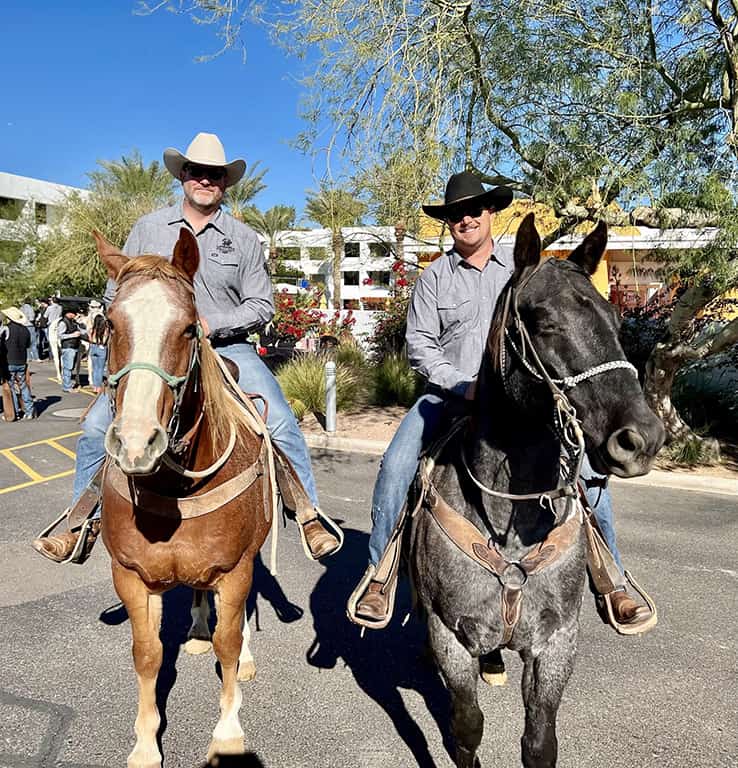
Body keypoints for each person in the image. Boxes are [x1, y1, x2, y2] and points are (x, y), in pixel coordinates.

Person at [348, 171, 650, 631]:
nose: (466, 219)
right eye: (456, 214)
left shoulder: (524, 269)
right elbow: (420, 346)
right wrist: (461, 384)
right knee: (396, 465)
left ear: (490, 212)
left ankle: (613, 580)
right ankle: (381, 572)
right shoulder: (434, 278)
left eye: (474, 210)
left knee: (588, 475)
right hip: (447, 397)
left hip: (520, 401)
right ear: (448, 221)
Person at [32, 131, 341, 564]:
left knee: (280, 423)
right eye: (197, 171)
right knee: (97, 426)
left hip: (228, 348)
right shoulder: (148, 228)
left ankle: (308, 513)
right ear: (183, 176)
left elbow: (261, 304)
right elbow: (115, 293)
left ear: (225, 182)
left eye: (215, 174)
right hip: (157, 351)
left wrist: (213, 324)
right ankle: (81, 521)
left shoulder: (244, 239)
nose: (205, 180)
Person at [0, 307, 35, 419]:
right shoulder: (26, 330)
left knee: (11, 388)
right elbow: (28, 345)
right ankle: (29, 411)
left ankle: (14, 413)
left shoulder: (6, 329)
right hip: (22, 361)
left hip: (9, 361)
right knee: (23, 386)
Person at [57, 308, 85, 392]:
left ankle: (68, 384)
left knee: (70, 367)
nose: (75, 315)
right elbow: (60, 335)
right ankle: (67, 387)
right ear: (68, 313)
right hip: (68, 347)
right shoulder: (63, 323)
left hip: (74, 347)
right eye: (73, 313)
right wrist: (73, 335)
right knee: (68, 367)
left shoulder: (73, 322)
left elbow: (82, 331)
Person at [88, 311, 108, 394]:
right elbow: (105, 340)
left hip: (93, 347)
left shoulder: (91, 330)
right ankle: (99, 387)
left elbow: (89, 339)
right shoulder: (105, 330)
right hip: (101, 347)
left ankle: (95, 386)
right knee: (100, 369)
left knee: (95, 368)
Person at [44, 297, 63, 382]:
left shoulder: (49, 308)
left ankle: (58, 372)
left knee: (53, 346)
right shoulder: (60, 307)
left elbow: (45, 316)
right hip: (59, 324)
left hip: (51, 325)